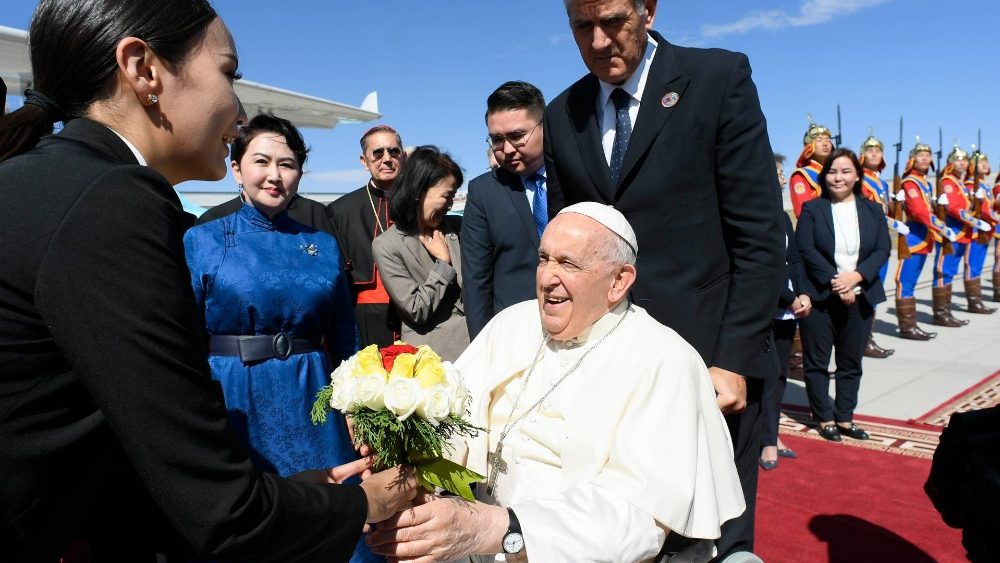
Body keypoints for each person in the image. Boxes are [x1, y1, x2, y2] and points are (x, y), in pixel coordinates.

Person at [0, 2, 415, 561]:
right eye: (229, 73)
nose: (239, 110)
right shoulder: (114, 202)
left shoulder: (53, 182)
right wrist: (363, 504)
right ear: (143, 70)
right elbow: (220, 512)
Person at [367, 203, 745, 562]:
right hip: (478, 541)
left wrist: (496, 527)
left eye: (568, 263)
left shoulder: (665, 360)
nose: (547, 278)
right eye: (544, 258)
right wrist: (409, 470)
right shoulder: (513, 324)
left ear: (618, 281)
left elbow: (640, 518)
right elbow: (452, 417)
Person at [542, 1, 784, 558]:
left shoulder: (718, 79)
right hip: (605, 375)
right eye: (583, 27)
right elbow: (567, 250)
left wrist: (735, 358)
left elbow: (758, 234)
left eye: (614, 21)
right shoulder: (562, 114)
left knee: (712, 542)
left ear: (647, 9)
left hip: (710, 367)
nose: (600, 41)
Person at [183, 113, 380, 562]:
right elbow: (186, 333)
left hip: (313, 395)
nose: (275, 175)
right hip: (234, 396)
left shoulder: (323, 243)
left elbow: (344, 332)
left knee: (334, 516)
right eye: (261, 161)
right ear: (236, 169)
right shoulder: (202, 240)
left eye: (288, 164)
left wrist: (356, 402)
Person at [796, 148, 891, 442]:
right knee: (817, 362)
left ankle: (846, 417)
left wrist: (856, 278)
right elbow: (805, 251)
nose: (839, 177)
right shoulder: (813, 209)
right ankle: (824, 417)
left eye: (846, 171)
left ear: (857, 176)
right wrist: (838, 282)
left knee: (851, 363)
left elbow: (882, 249)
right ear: (825, 176)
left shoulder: (872, 210)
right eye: (833, 172)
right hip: (821, 297)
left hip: (860, 296)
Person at [461, 81, 547, 340]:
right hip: (515, 336)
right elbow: (476, 280)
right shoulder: (484, 192)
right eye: (497, 139)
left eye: (518, 136)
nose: (507, 149)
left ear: (544, 126)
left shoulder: (578, 175)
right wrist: (483, 348)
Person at [372, 146, 469, 361]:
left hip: (476, 347)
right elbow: (416, 309)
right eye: (447, 195)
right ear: (419, 191)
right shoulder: (387, 245)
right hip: (432, 359)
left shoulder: (458, 227)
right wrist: (443, 263)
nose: (451, 204)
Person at [328, 125, 406, 348]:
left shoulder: (421, 202)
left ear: (404, 156)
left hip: (418, 315)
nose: (387, 158)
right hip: (364, 316)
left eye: (393, 151)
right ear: (364, 161)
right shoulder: (341, 210)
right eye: (378, 153)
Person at [760, 154, 811, 470]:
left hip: (787, 308)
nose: (782, 178)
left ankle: (771, 434)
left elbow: (792, 259)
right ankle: (764, 441)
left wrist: (802, 293)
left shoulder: (782, 217)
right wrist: (789, 297)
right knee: (763, 376)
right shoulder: (754, 216)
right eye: (777, 172)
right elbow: (763, 266)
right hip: (766, 307)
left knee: (778, 376)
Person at [895, 139, 957, 340]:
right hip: (913, 238)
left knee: (911, 283)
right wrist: (942, 227)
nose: (925, 158)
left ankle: (912, 325)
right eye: (920, 155)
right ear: (912, 159)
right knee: (906, 283)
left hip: (924, 238)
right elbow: (919, 212)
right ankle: (907, 328)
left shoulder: (925, 182)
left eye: (927, 155)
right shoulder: (910, 182)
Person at [859, 133, 908, 358]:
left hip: (881, 240)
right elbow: (870, 211)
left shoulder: (879, 180)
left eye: (878, 150)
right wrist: (893, 221)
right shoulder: (861, 178)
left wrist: (895, 202)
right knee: (868, 290)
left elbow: (883, 207)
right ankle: (863, 339)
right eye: (870, 150)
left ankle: (867, 337)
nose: (875, 153)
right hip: (868, 241)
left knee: (876, 288)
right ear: (862, 155)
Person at [933, 146, 986, 323]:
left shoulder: (960, 183)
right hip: (951, 233)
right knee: (943, 272)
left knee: (950, 272)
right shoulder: (947, 182)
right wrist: (976, 222)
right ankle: (941, 314)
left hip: (962, 233)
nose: (962, 162)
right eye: (957, 159)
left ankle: (946, 312)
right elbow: (954, 209)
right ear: (950, 163)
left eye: (964, 159)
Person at [963, 151, 996, 313]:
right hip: (975, 231)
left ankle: (977, 301)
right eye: (979, 162)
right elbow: (982, 209)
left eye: (986, 161)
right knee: (972, 265)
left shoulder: (984, 184)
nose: (984, 165)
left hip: (985, 231)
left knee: (978, 266)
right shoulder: (971, 184)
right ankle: (973, 302)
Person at [790, 120, 835, 218]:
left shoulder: (836, 173)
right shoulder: (801, 175)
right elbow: (803, 212)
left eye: (828, 140)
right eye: (819, 140)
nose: (825, 143)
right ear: (809, 146)